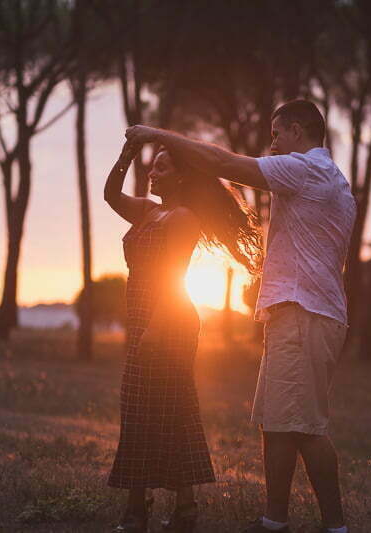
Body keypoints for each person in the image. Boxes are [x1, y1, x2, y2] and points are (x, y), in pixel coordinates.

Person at [126, 99, 356, 533]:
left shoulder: (306, 168)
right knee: (278, 423)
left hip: (303, 313)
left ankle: (336, 527)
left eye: (277, 134)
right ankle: (274, 521)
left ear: (298, 131)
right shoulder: (333, 179)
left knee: (306, 427)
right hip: (298, 313)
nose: (273, 144)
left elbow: (221, 162)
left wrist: (156, 134)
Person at [104, 141, 263, 533]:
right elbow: (110, 195)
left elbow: (173, 277)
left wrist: (156, 328)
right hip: (143, 318)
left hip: (168, 321)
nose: (152, 173)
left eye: (161, 168)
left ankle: (140, 510)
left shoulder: (183, 218)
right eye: (152, 167)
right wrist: (126, 155)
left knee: (161, 408)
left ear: (181, 177)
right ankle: (180, 508)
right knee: (146, 409)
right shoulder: (148, 211)